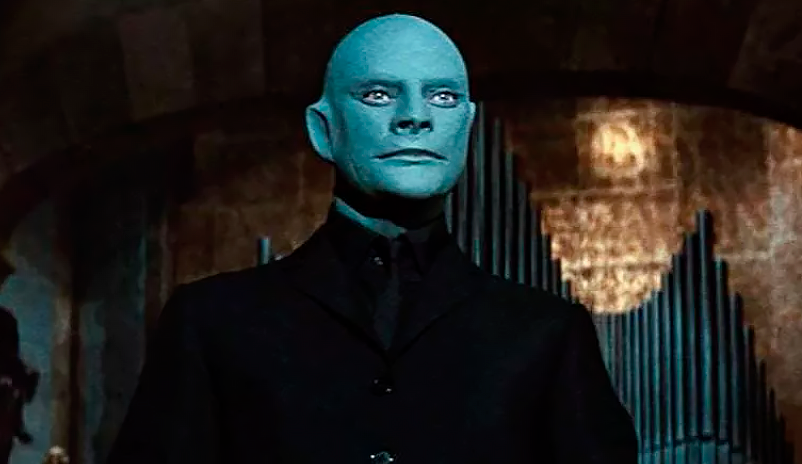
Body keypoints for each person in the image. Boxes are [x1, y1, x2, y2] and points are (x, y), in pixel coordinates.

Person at [107, 14, 637, 464]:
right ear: (324, 129)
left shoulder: (547, 334)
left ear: (467, 127)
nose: (415, 117)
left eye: (443, 96)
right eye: (378, 95)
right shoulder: (211, 322)